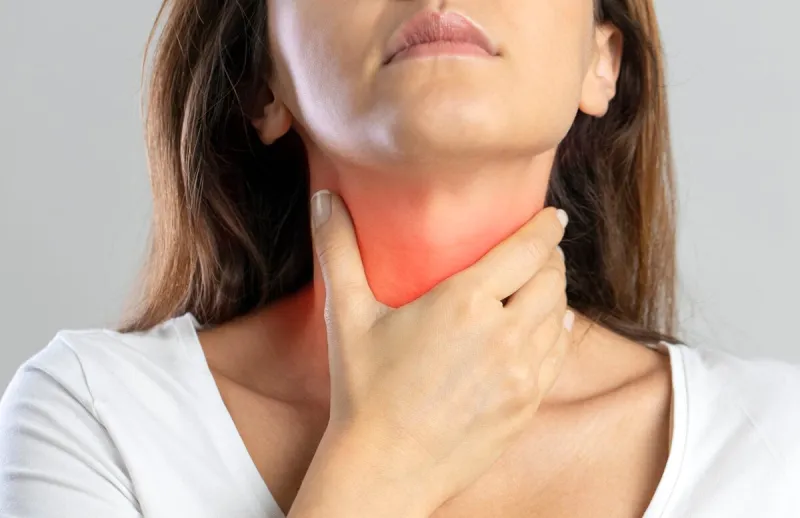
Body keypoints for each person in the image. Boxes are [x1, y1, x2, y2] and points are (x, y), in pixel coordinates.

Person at [1, 0, 799, 516]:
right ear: (261, 84)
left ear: (604, 61)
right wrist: (383, 460)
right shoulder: (95, 420)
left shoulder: (777, 448)